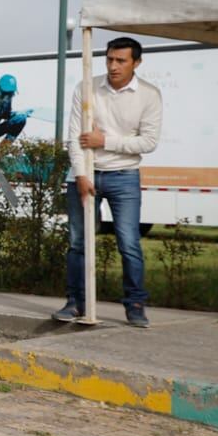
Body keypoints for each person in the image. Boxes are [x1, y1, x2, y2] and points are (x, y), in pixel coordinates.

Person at [56, 36, 162, 328]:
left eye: (121, 61)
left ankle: (136, 305)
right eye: (110, 60)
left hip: (124, 177)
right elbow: (75, 138)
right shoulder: (87, 88)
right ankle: (74, 303)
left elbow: (148, 141)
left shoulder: (149, 95)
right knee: (78, 242)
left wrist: (105, 140)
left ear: (136, 63)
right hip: (86, 174)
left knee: (129, 243)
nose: (114, 66)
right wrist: (80, 174)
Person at [0, 74, 31, 144]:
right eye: (4, 94)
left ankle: (3, 149)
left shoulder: (7, 101)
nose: (6, 99)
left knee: (21, 118)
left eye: (10, 95)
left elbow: (6, 115)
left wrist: (19, 113)